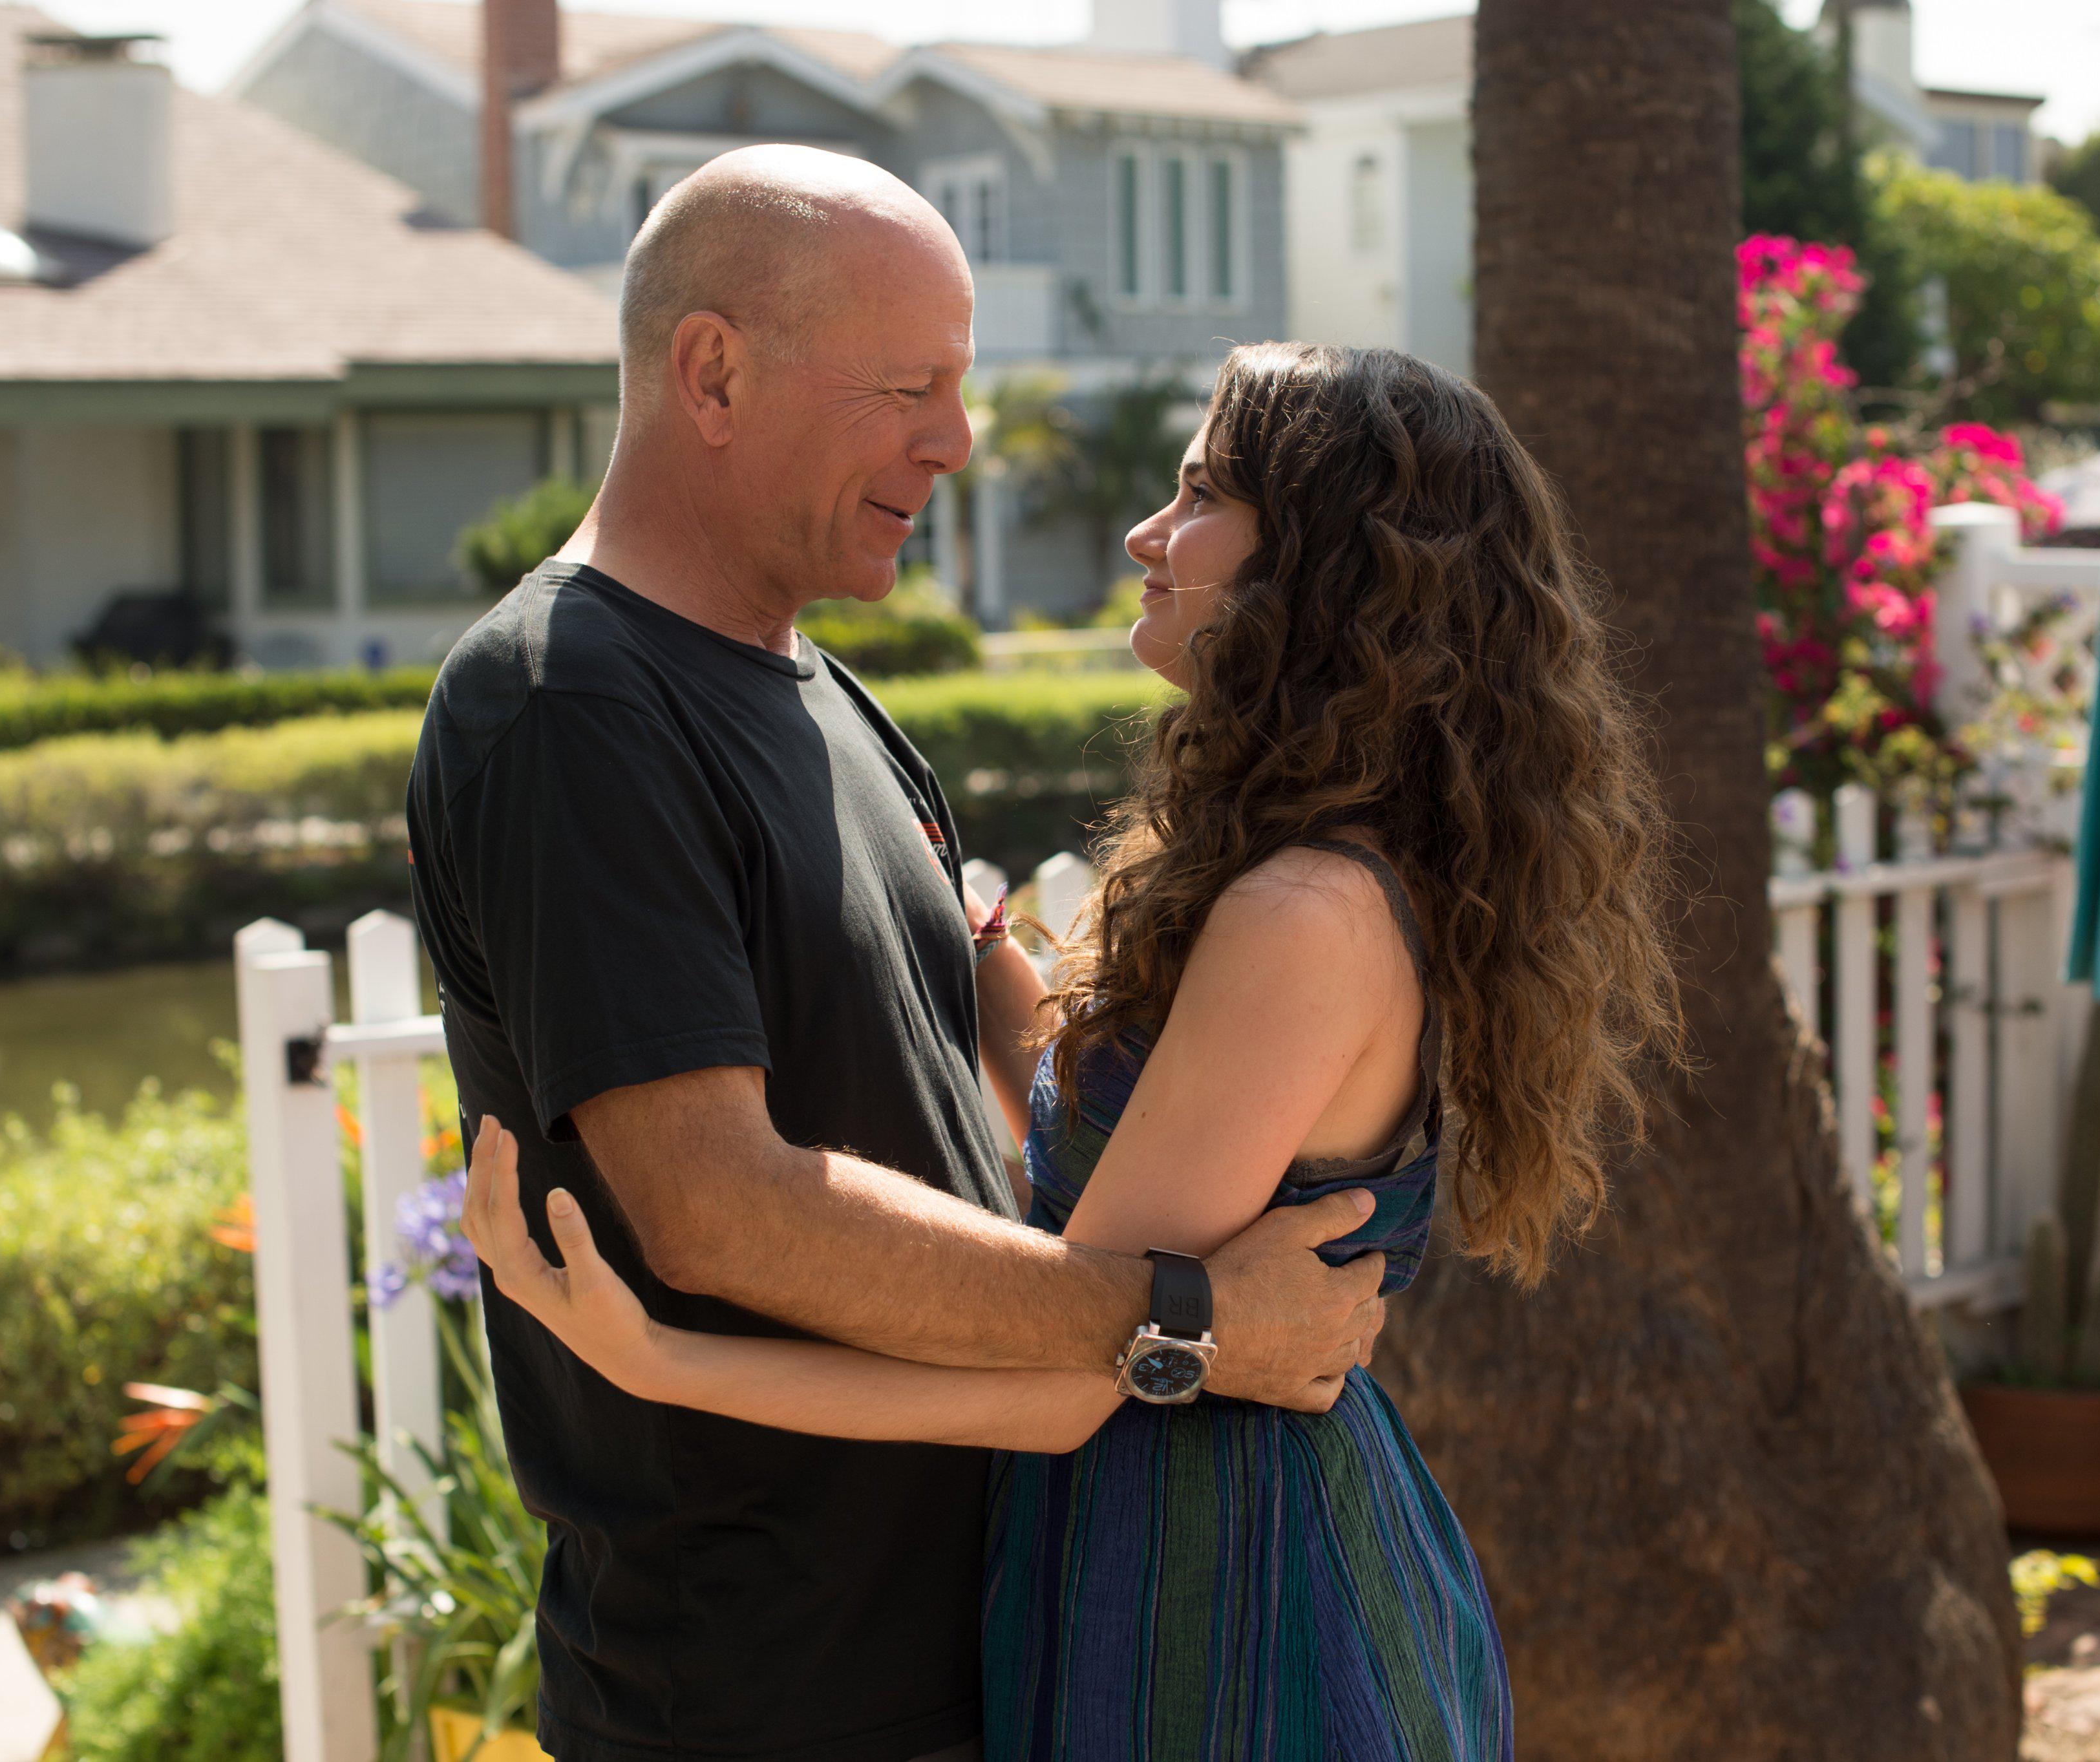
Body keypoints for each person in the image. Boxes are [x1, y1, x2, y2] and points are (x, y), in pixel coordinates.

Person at [464, 340, 1688, 1759]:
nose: (1144, 536)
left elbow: (1062, 1389)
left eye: (1201, 495)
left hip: (1228, 1595)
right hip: (1185, 1541)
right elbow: (1099, 1113)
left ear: (1329, 564)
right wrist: (952, 913)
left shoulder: (1304, 913)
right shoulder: (1285, 868)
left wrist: (658, 1358)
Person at [405, 149, 1385, 1762]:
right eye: (911, 386)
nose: (958, 439)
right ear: (711, 372)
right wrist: (1191, 1319)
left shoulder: (822, 694)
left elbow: (1000, 1078)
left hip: (978, 1640)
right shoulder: (569, 702)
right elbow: (725, 1209)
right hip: (767, 1694)